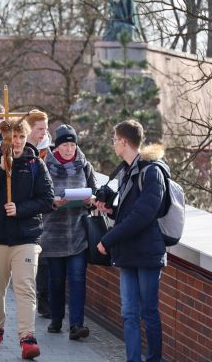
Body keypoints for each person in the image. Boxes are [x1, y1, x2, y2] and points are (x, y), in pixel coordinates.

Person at [0, 119, 54, 359]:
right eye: (11, 138)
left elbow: (47, 199)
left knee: (25, 287)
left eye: (21, 137)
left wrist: (20, 208)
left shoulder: (35, 164)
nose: (16, 142)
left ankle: (27, 336)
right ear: (4, 140)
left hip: (26, 237)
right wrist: (1, 169)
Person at [95, 120, 166, 362]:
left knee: (148, 312)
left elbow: (143, 215)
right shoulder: (127, 171)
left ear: (124, 141)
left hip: (147, 253)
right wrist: (110, 210)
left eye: (114, 139)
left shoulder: (151, 171)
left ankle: (154, 359)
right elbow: (130, 212)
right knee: (128, 313)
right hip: (128, 253)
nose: (113, 144)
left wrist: (108, 239)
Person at [41, 124, 96, 340]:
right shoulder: (44, 166)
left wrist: (89, 201)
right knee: (56, 280)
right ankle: (56, 319)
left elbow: (94, 194)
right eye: (65, 144)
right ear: (57, 145)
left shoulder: (84, 165)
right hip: (53, 233)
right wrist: (55, 202)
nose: (69, 149)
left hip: (78, 232)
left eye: (73, 144)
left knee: (77, 278)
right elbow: (39, 198)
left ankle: (76, 325)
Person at [25, 109, 51, 318]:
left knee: (43, 258)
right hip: (26, 211)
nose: (44, 133)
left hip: (45, 210)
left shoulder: (47, 151)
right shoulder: (22, 149)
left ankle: (44, 299)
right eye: (40, 128)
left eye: (46, 128)